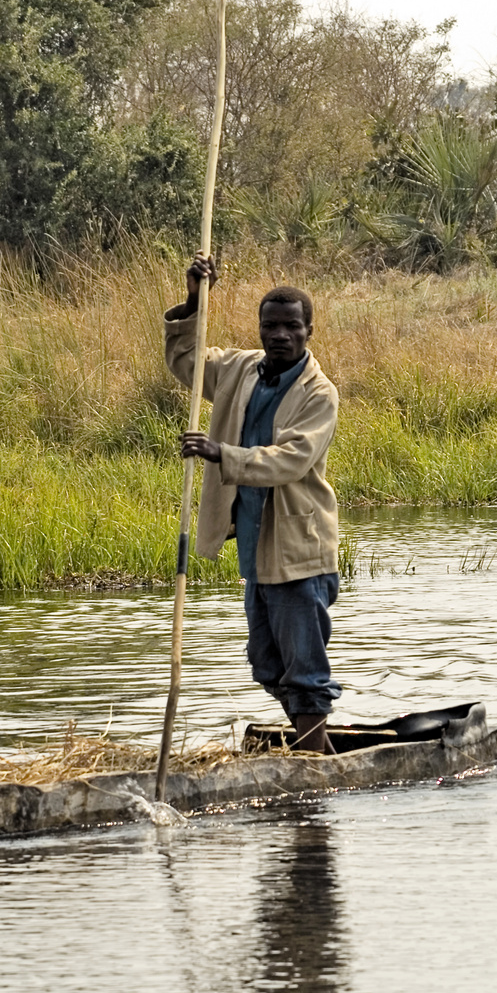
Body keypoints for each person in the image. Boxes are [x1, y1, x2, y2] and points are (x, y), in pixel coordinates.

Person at [164, 254, 343, 753]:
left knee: (304, 664)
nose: (280, 335)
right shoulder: (240, 370)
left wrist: (222, 452)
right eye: (271, 326)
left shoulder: (318, 394)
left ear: (309, 331)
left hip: (298, 548)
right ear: (260, 329)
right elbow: (187, 359)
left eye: (292, 327)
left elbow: (291, 459)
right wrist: (197, 298)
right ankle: (317, 748)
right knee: (266, 661)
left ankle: (311, 760)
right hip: (254, 545)